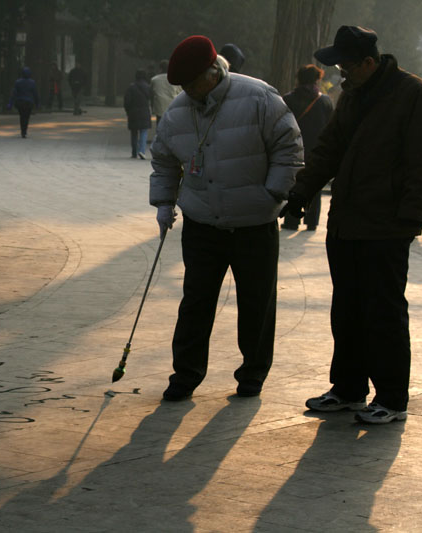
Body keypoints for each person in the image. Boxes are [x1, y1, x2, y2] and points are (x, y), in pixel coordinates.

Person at [281, 26, 422, 424]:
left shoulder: (411, 93)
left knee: (383, 312)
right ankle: (348, 389)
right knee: (346, 308)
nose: (341, 75)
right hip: (347, 221)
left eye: (347, 67)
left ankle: (391, 398)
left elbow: (421, 159)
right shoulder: (351, 95)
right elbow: (329, 148)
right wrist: (301, 192)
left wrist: (410, 216)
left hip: (387, 225)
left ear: (369, 62)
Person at [150, 35, 303, 401]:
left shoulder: (260, 98)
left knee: (257, 303)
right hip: (203, 222)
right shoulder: (178, 112)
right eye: (183, 86)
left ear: (214, 71)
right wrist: (163, 202)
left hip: (254, 223)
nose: (188, 91)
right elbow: (164, 159)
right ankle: (185, 375)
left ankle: (252, 373)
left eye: (192, 83)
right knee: (196, 301)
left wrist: (272, 194)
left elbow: (290, 147)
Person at [281, 65, 334, 231]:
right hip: (316, 150)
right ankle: (312, 221)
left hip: (293, 148)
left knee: (293, 183)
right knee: (314, 183)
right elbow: (330, 128)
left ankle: (291, 220)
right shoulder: (324, 101)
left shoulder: (288, 99)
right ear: (317, 79)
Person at [124, 69, 152, 159]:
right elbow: (151, 98)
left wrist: (128, 111)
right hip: (144, 112)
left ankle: (134, 152)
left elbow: (127, 102)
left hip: (133, 112)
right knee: (144, 132)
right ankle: (142, 150)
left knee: (134, 132)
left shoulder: (131, 87)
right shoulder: (148, 87)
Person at [8, 66, 39, 138]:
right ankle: (24, 131)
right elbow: (35, 94)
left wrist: (10, 103)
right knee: (27, 117)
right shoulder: (32, 82)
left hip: (20, 102)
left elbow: (14, 93)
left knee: (22, 116)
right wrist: (37, 103)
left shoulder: (18, 82)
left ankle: (22, 131)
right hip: (29, 102)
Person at [150, 59, 181, 125]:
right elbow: (180, 93)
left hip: (159, 107)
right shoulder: (175, 78)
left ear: (160, 68)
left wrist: (152, 107)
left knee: (160, 127)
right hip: (173, 107)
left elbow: (152, 94)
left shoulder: (154, 79)